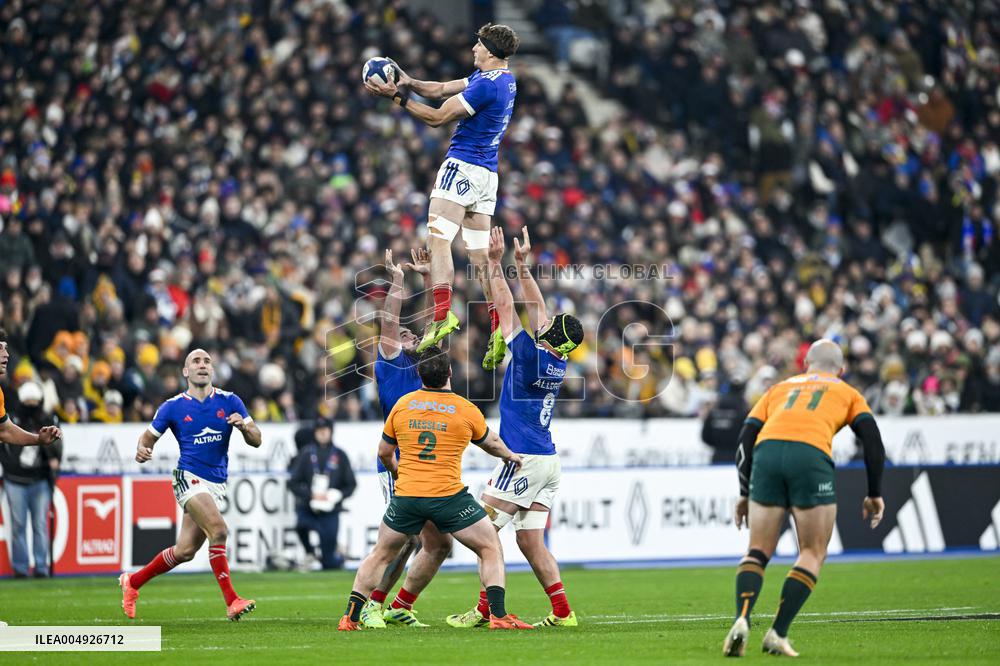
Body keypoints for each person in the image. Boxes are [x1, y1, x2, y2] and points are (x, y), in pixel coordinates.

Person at [339, 348, 533, 631]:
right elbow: (490, 441)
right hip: (447, 497)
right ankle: (499, 616)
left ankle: (350, 617)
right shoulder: (464, 408)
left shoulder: (404, 405)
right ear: (450, 373)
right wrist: (509, 455)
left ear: (419, 374)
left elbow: (383, 452)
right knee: (489, 545)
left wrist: (397, 471)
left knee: (380, 553)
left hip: (407, 496)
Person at [447, 227, 584, 628]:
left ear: (548, 335)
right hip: (547, 462)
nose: (545, 319)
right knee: (529, 540)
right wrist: (521, 265)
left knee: (482, 533)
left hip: (521, 459)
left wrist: (494, 263)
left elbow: (506, 305)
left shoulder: (527, 354)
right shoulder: (556, 359)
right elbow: (536, 307)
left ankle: (487, 611)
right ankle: (563, 614)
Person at [364, 23, 520, 364]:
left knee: (438, 240)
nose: (473, 49)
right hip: (487, 176)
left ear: (491, 52)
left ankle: (442, 316)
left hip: (461, 168)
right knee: (481, 260)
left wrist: (395, 97)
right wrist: (408, 80)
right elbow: (441, 89)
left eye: (478, 45)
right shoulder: (502, 80)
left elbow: (436, 117)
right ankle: (498, 327)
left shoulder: (485, 89)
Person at [723, 339, 887, 657]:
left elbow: (744, 440)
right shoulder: (847, 392)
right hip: (810, 454)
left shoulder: (779, 389)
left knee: (757, 550)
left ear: (805, 364)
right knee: (812, 551)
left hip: (767, 453)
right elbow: (872, 440)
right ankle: (777, 632)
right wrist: (874, 492)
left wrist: (745, 491)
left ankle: (742, 618)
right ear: (840, 370)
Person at [119, 348, 263, 621]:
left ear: (212, 369)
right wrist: (141, 450)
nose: (202, 365)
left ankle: (133, 582)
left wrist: (243, 428)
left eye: (207, 361)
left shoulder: (230, 401)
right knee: (219, 530)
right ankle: (232, 601)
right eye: (195, 361)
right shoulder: (173, 406)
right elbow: (147, 438)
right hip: (188, 477)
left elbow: (257, 439)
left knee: (185, 550)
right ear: (186, 371)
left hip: (216, 483)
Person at [359, 248, 456, 628]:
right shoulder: (391, 360)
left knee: (437, 544)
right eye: (402, 334)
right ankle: (369, 605)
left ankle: (396, 604)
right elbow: (390, 320)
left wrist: (432, 276)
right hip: (398, 460)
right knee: (401, 541)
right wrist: (398, 279)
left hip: (429, 463)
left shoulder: (427, 367)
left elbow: (441, 319)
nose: (408, 334)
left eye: (412, 334)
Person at [0, 380, 63, 578]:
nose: (31, 404)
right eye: (28, 401)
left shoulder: (47, 418)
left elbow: (57, 448)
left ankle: (41, 567)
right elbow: (5, 439)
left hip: (39, 479)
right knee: (19, 526)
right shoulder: (13, 418)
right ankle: (20, 568)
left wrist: (52, 453)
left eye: (34, 401)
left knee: (39, 525)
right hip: (15, 478)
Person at [288, 417, 356, 570]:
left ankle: (337, 557)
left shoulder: (340, 455)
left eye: (325, 430)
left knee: (328, 563)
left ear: (331, 432)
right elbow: (292, 483)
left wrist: (337, 495)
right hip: (309, 507)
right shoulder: (306, 454)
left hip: (330, 510)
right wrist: (310, 495)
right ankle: (310, 552)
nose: (323, 434)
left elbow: (351, 484)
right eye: (319, 431)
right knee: (301, 525)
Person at [701, 376, 749, 464]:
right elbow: (749, 434)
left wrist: (719, 445)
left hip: (717, 456)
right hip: (737, 457)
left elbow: (705, 436)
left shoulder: (715, 409)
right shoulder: (743, 410)